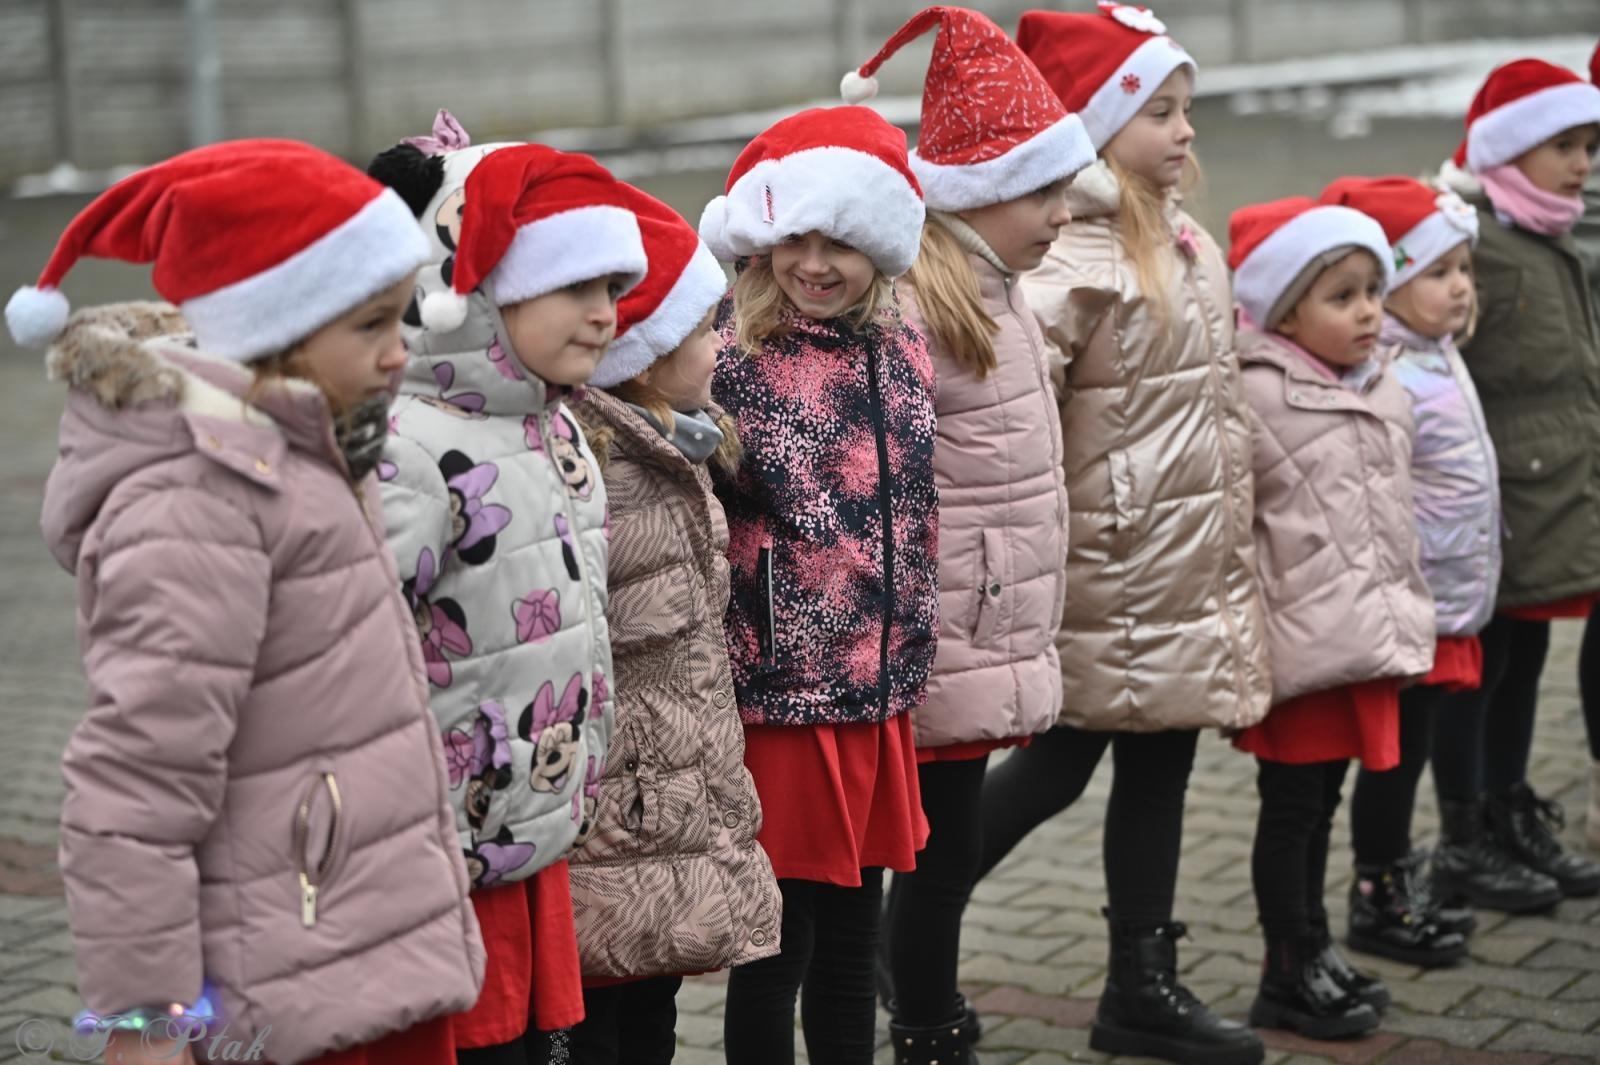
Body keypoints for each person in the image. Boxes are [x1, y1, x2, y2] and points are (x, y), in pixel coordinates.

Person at [11, 140, 484, 1065]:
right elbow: (135, 784)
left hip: (354, 948)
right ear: (277, 332)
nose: (402, 354)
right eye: (371, 326)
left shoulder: (298, 447)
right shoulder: (201, 501)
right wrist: (143, 1019)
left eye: (404, 318)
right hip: (285, 982)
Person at [974, 7, 1276, 1063]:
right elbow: (1008, 417)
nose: (1185, 131)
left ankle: (1139, 986)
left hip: (1177, 567)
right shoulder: (1073, 256)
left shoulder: (1175, 235)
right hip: (1106, 574)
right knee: (1057, 770)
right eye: (1158, 111)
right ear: (1092, 130)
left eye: (1186, 108)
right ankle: (902, 928)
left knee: (1159, 770)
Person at [835, 8, 1092, 1063]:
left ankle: (921, 1002)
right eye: (1043, 192)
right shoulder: (923, 311)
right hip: (938, 630)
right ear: (978, 193)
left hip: (983, 620)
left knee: (941, 849)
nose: (1062, 212)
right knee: (933, 856)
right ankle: (928, 1025)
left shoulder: (1002, 289)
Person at [376, 136, 639, 1063]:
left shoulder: (554, 425)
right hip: (449, 845)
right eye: (576, 288)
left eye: (615, 290)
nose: (607, 316)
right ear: (480, 290)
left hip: (534, 825)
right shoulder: (410, 450)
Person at [698, 106, 938, 1065]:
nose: (816, 261)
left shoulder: (903, 346)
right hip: (786, 698)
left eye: (840, 240)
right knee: (775, 949)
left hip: (877, 691)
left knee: (852, 944)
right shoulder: (732, 360)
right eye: (794, 236)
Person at [564, 182, 782, 1064]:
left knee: (650, 1008)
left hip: (668, 793)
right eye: (702, 331)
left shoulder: (677, 444)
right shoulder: (606, 470)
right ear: (647, 356)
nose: (720, 345)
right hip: (617, 805)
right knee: (602, 1021)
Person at [1226, 196, 1435, 1039]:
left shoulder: (1380, 383)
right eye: (1341, 297)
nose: (1367, 314)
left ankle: (1315, 947)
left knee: (1324, 801)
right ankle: (1286, 965)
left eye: (1373, 293)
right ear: (1284, 310)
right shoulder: (1257, 392)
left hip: (1361, 637)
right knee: (1291, 809)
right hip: (1297, 643)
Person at [1431, 58, 1600, 903]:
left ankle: (1506, 805)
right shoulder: (1474, 240)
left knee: (1523, 654)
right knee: (1480, 665)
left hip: (1546, 496)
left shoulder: (1549, 230)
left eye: (1589, 145)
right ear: (1509, 149)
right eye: (1562, 145)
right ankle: (1462, 833)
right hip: (1488, 499)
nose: (1582, 163)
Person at [1320, 175, 1498, 963]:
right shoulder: (1388, 369)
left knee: (1414, 749)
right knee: (1392, 761)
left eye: (1465, 270)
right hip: (1410, 603)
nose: (1460, 288)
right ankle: (1378, 894)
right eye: (1439, 272)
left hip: (1449, 598)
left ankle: (1392, 879)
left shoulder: (1437, 354)